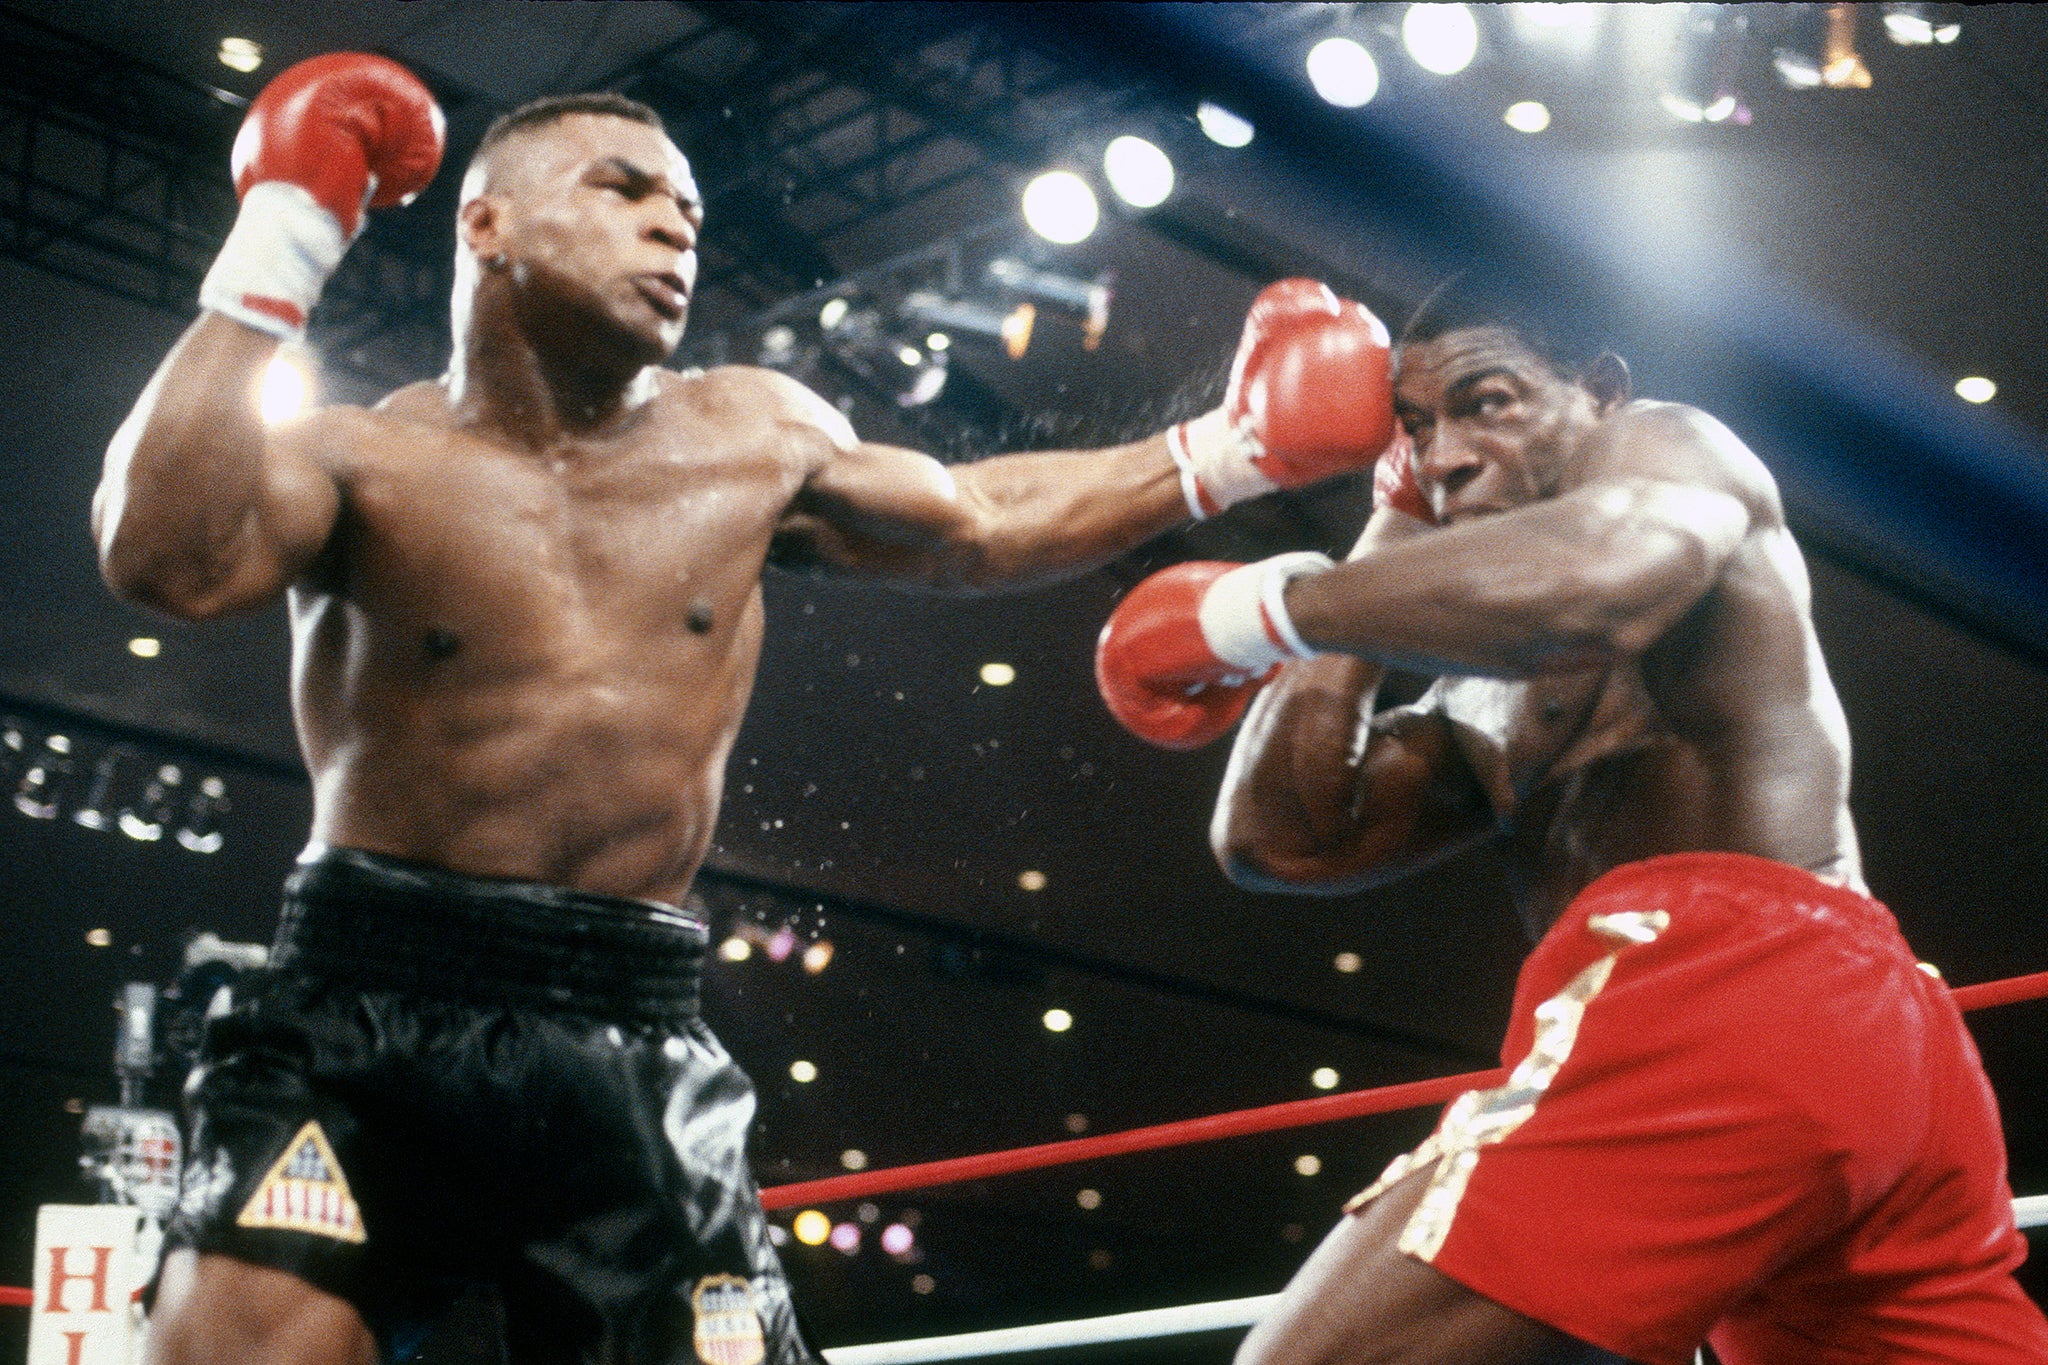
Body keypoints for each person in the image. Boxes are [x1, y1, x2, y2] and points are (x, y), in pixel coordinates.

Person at [94, 53, 1399, 1365]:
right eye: (623, 190)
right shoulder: (361, 455)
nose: (672, 225)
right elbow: (163, 554)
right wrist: (288, 228)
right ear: (483, 225)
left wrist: (1235, 451)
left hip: (629, 1024)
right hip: (361, 1003)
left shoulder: (754, 437)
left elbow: (975, 518)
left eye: (690, 213)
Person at [1093, 282, 2048, 1363]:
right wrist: (1382, 528)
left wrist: (1248, 612)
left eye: (1484, 402)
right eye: (1415, 432)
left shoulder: (1671, 449)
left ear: (1594, 391)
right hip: (1860, 1050)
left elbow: (1596, 581)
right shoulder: (1475, 699)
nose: (1445, 451)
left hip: (1739, 992)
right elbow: (1283, 839)